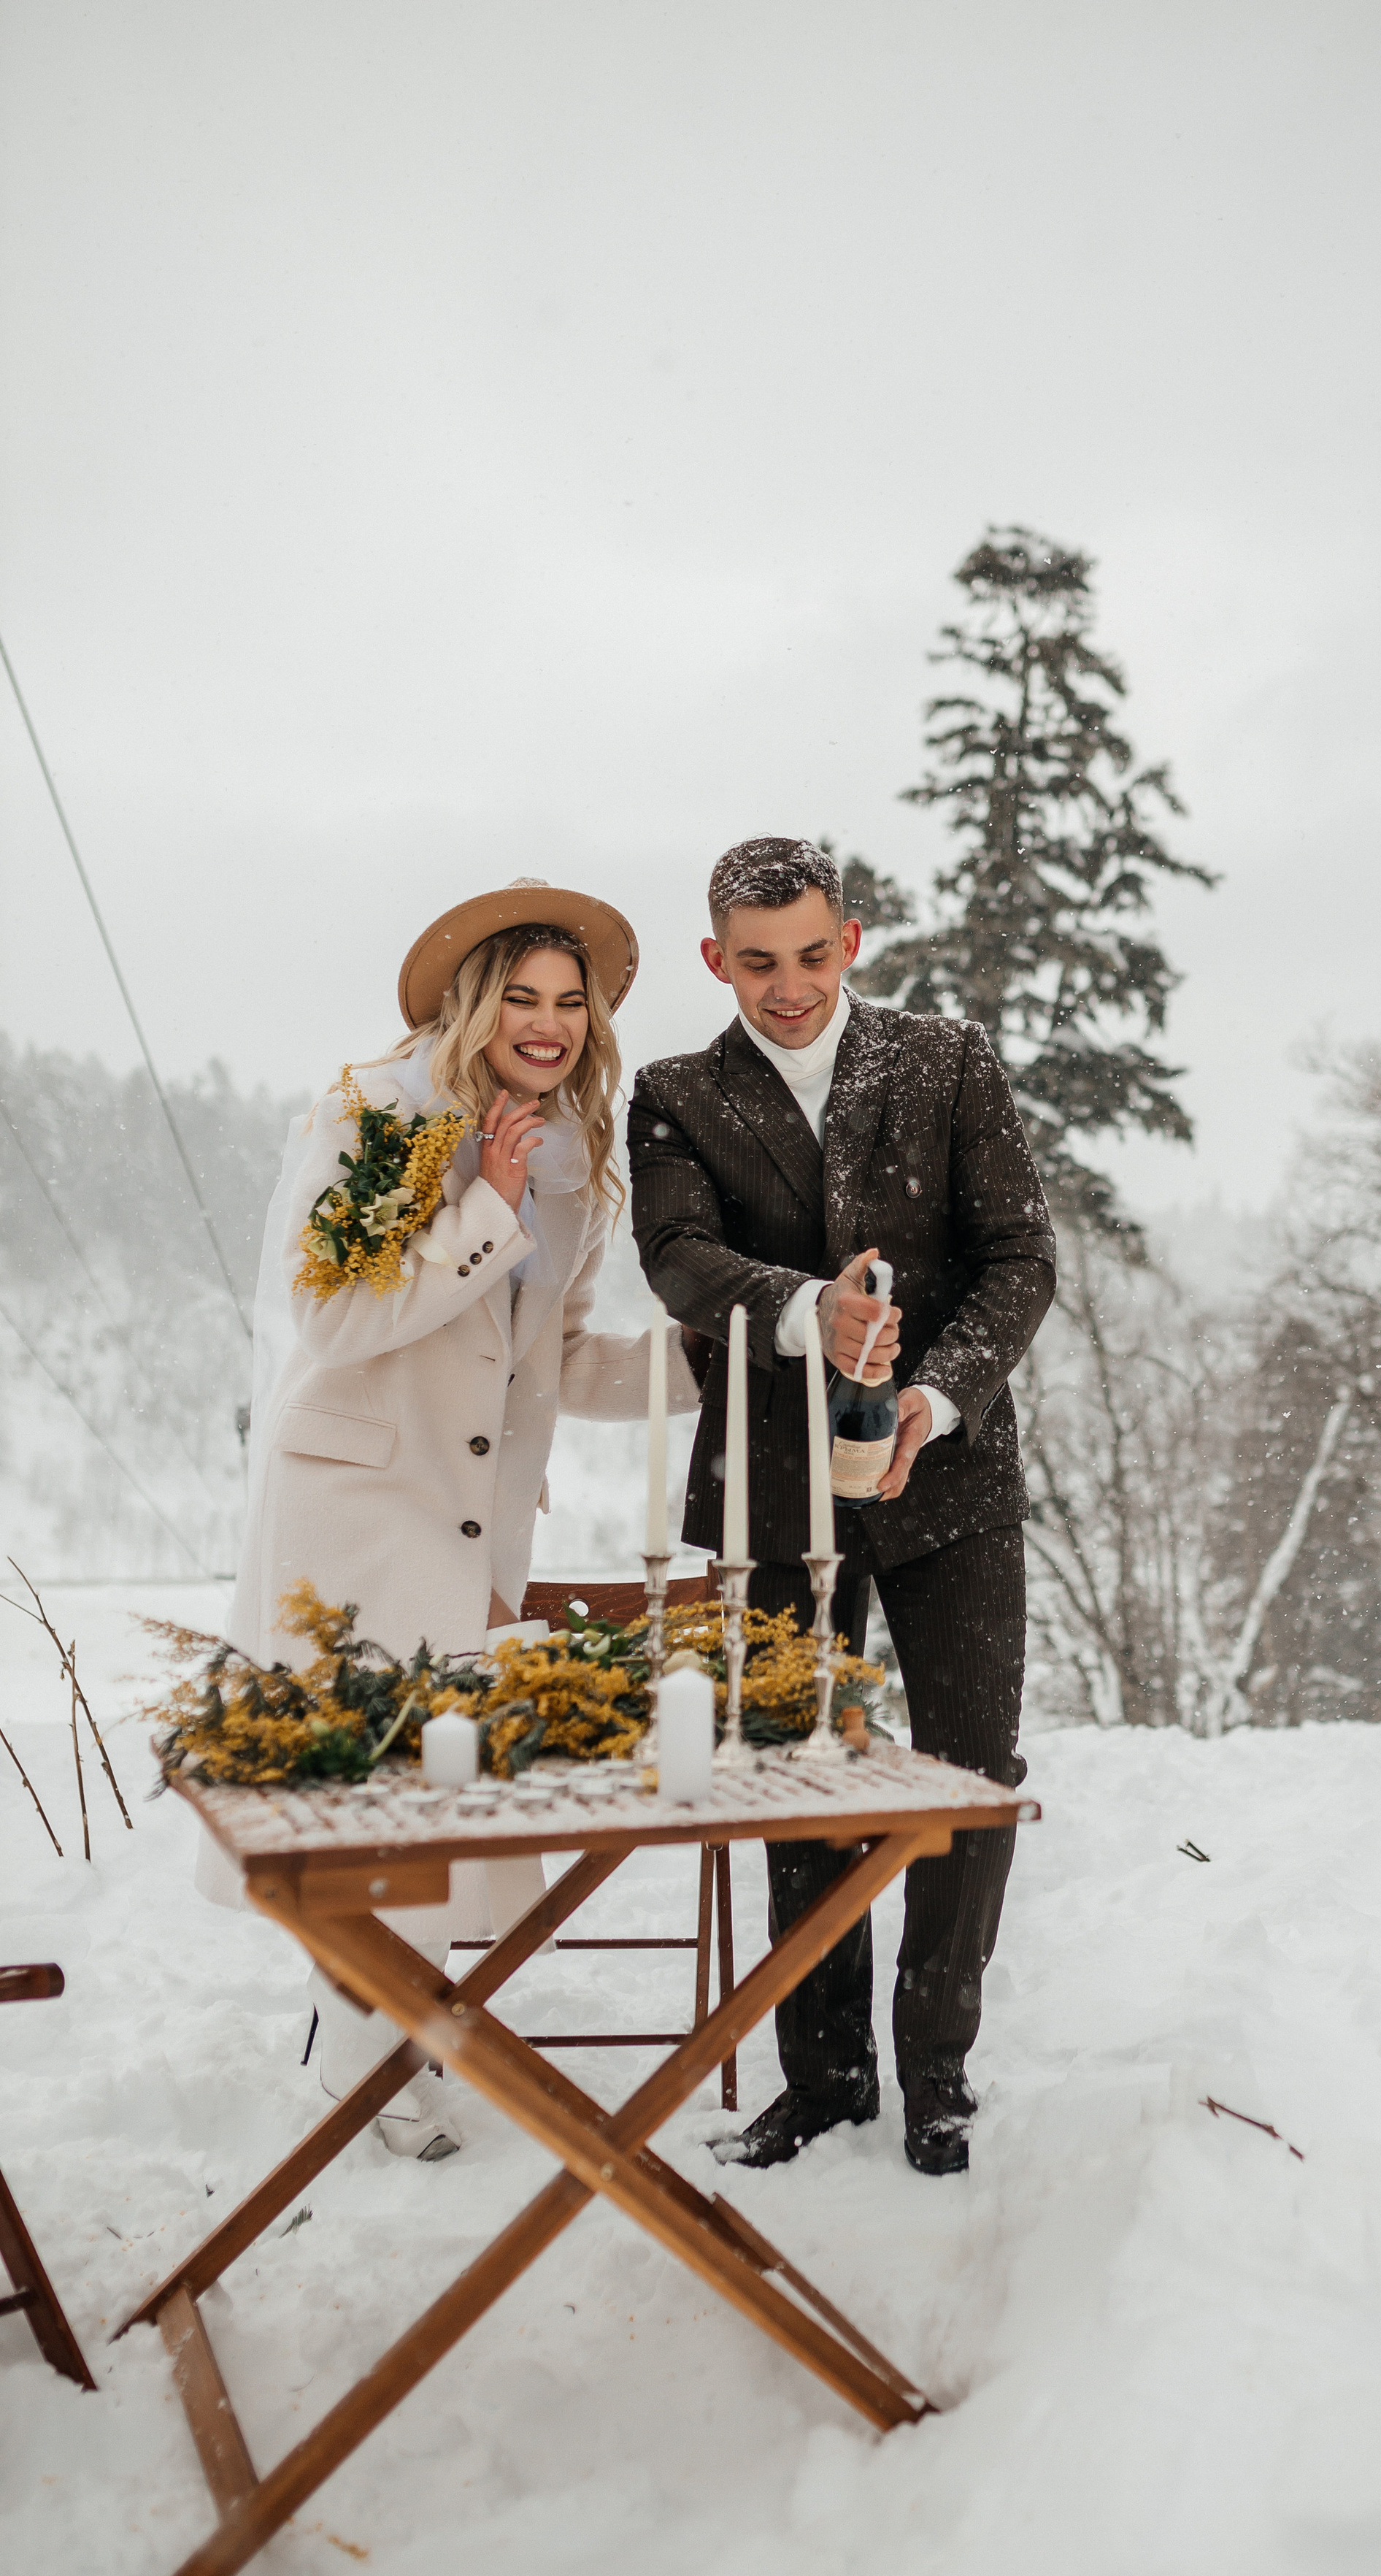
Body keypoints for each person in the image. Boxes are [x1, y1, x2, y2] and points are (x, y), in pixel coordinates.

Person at [207, 881, 696, 2158]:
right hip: (354, 1504)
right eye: (522, 998)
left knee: (435, 1797)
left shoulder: (579, 1168)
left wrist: (716, 1362)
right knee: (365, 1804)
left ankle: (368, 2036)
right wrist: (477, 1205)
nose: (547, 1025)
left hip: (473, 1521)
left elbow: (562, 1365)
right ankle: (360, 2049)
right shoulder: (373, 1112)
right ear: (476, 1005)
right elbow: (336, 1320)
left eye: (570, 1004)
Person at [628, 836, 1055, 2176]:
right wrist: (813, 1311)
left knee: (970, 1775)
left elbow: (1020, 1254)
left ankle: (938, 2069)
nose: (790, 987)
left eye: (813, 956)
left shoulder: (946, 1059)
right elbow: (678, 1260)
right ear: (716, 960)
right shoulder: (676, 1093)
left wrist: (934, 1394)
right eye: (757, 964)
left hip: (952, 1478)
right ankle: (822, 2078)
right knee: (793, 1778)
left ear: (852, 940)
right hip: (767, 1488)